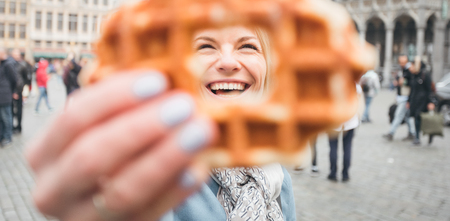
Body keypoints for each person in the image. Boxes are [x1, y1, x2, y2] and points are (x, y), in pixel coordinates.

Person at [25, 26, 296, 221]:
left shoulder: (274, 171)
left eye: (248, 46)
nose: (227, 62)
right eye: (205, 46)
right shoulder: (157, 172)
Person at [327, 84, 363, 182]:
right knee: (347, 147)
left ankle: (333, 172)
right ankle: (345, 174)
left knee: (333, 147)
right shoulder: (355, 85)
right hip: (350, 120)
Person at [382, 55, 415, 141]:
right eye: (401, 62)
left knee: (398, 115)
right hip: (402, 97)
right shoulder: (402, 70)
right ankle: (412, 133)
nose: (402, 64)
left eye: (404, 62)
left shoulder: (410, 70)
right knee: (407, 117)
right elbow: (398, 81)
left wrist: (404, 82)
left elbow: (412, 84)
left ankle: (391, 133)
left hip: (406, 98)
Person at [407, 57, 435, 146]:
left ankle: (428, 134)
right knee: (416, 118)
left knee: (421, 118)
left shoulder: (425, 75)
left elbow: (429, 89)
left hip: (423, 100)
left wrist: (431, 102)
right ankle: (417, 137)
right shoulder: (414, 75)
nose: (410, 67)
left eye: (412, 65)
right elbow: (411, 89)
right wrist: (408, 100)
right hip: (415, 100)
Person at [0, 47, 17, 147]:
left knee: (6, 117)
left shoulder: (8, 64)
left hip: (5, 95)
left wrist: (13, 91)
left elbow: (14, 79)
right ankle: (2, 136)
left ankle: (8, 136)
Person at [10, 49, 28, 134]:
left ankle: (19, 126)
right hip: (10, 91)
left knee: (19, 110)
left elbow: (25, 78)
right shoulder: (10, 64)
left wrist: (21, 88)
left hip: (19, 90)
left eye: (17, 55)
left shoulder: (22, 65)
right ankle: (12, 126)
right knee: (11, 110)